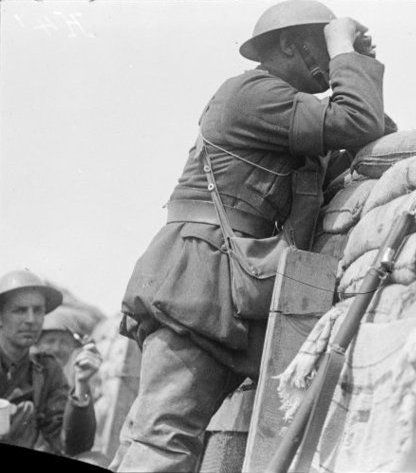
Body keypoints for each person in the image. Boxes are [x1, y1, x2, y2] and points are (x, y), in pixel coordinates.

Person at [112, 1, 391, 471]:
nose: (327, 60)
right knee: (162, 443)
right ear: (288, 45)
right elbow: (355, 121)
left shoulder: (284, 113)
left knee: (158, 439)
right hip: (197, 288)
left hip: (226, 294)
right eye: (321, 47)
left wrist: (353, 61)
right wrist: (346, 51)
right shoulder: (253, 94)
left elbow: (373, 133)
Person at [0, 269, 102, 457]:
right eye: (20, 310)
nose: (31, 320)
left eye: (38, 310)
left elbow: (73, 447)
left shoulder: (47, 370)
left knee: (93, 460)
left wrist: (81, 385)